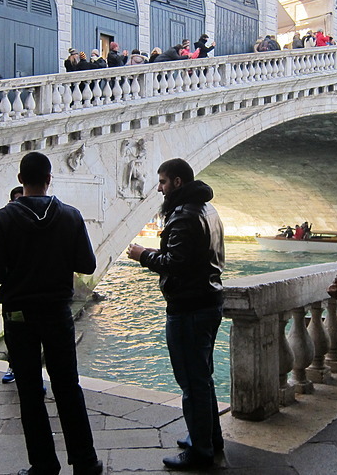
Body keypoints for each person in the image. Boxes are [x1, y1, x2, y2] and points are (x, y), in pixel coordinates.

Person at [0, 152, 102, 475]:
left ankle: (45, 464)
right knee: (67, 386)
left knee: (30, 391)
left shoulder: (2, 219)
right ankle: (86, 461)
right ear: (49, 179)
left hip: (19, 315)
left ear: (21, 181)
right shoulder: (71, 216)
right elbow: (87, 265)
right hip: (57, 312)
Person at [127, 158, 225, 470]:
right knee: (203, 377)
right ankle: (209, 436)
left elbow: (176, 262)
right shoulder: (209, 210)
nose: (159, 188)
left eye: (163, 182)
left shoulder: (184, 216)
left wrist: (144, 255)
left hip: (189, 307)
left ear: (178, 182)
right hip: (209, 302)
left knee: (190, 380)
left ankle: (201, 450)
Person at [1, 185, 24, 386]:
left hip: (28, 295)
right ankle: (13, 365)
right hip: (14, 295)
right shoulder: (4, 222)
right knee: (13, 334)